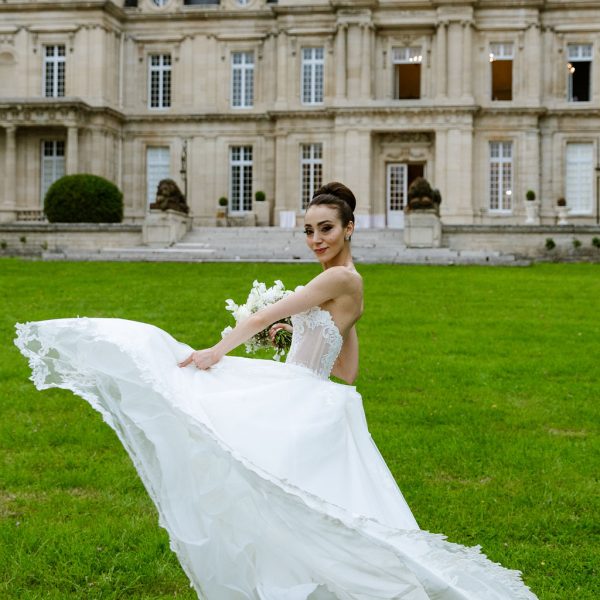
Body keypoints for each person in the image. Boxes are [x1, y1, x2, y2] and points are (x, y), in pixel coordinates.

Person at [15, 182, 537, 599]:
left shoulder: (338, 281)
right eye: (309, 230)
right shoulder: (350, 283)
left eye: (326, 229)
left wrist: (218, 351)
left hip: (299, 395)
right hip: (312, 391)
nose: (316, 240)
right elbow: (347, 371)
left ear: (351, 227)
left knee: (211, 420)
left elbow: (271, 311)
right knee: (287, 494)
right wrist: (302, 336)